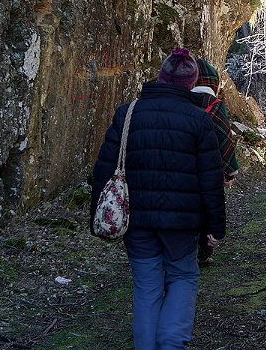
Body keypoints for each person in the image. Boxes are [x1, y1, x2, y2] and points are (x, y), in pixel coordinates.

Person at [92, 48, 225, 350]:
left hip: (137, 219)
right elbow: (210, 180)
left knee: (146, 287)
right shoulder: (199, 120)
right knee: (182, 276)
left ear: (161, 77)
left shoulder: (128, 113)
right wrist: (216, 227)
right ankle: (171, 344)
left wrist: (96, 218)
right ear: (192, 83)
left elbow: (104, 168)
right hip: (182, 223)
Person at [191, 57, 239, 263]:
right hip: (208, 169)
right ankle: (203, 251)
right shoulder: (215, 106)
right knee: (207, 208)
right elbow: (224, 138)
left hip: (182, 165)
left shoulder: (181, 101)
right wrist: (229, 171)